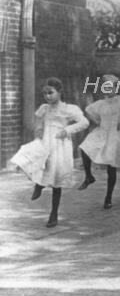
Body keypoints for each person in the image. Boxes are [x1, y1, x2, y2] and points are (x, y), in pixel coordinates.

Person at [10, 78, 89, 227]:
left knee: (56, 179)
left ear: (60, 92)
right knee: (37, 162)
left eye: (51, 93)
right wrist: (38, 131)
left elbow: (84, 122)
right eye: (45, 94)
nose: (47, 96)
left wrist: (67, 130)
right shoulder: (44, 108)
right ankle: (39, 185)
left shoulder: (68, 109)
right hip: (45, 141)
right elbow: (39, 124)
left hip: (60, 143)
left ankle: (54, 213)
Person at [78, 74, 120, 209]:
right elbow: (89, 111)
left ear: (116, 88)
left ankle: (108, 197)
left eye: (110, 87)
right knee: (84, 148)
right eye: (104, 87)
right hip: (102, 132)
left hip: (116, 135)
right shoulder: (101, 103)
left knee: (111, 167)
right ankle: (89, 176)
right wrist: (96, 121)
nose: (107, 89)